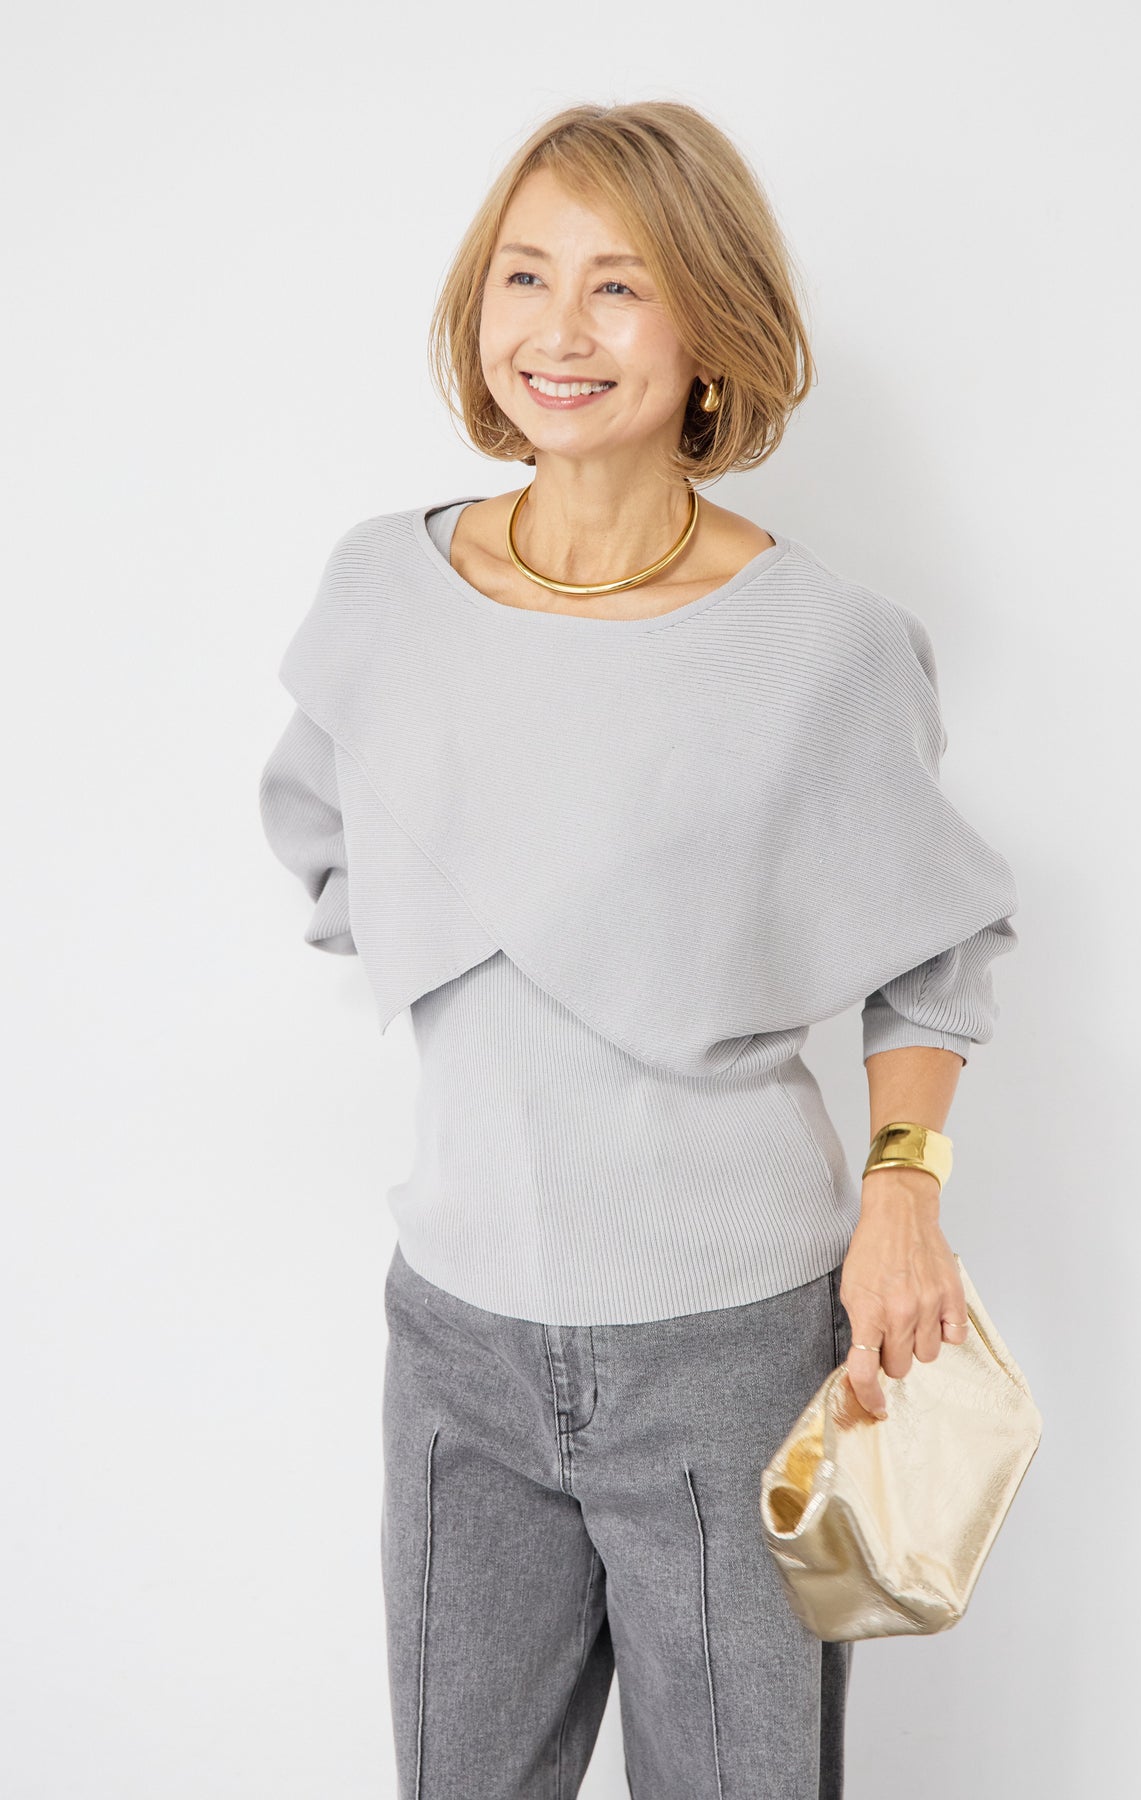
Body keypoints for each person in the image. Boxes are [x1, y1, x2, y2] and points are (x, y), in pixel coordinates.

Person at [258, 99, 1019, 1800]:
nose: (559, 329)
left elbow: (941, 939)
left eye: (620, 285)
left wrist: (904, 1191)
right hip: (454, 1342)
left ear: (710, 331)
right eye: (525, 275)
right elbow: (323, 838)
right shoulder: (384, 592)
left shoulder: (815, 646)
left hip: (728, 1351)